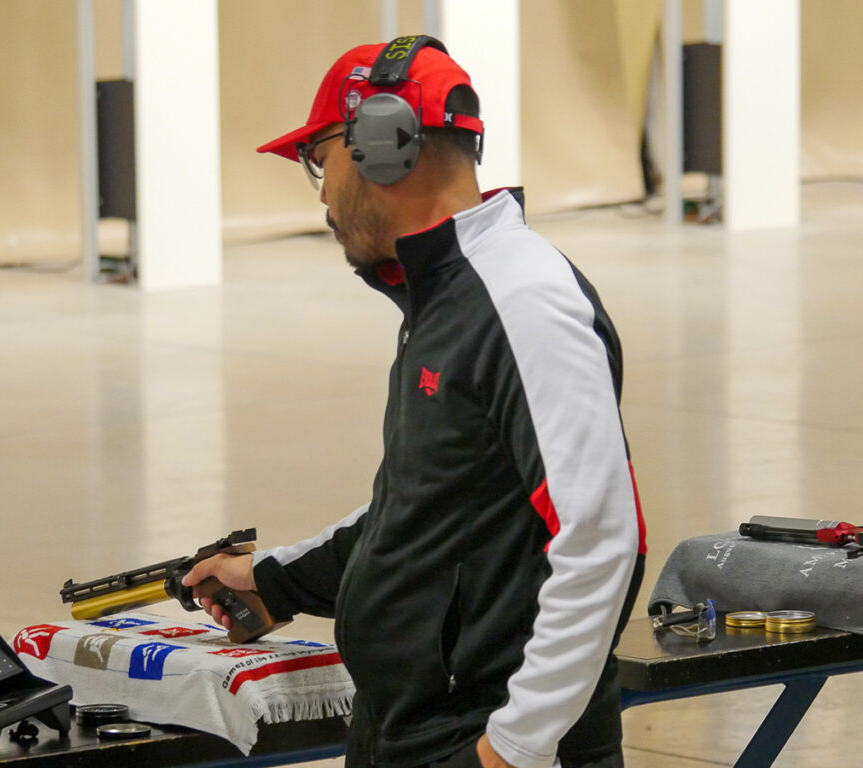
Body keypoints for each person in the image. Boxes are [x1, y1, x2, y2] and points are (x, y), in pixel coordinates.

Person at [183, 35, 646, 768]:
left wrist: (511, 749)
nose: (324, 194)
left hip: (481, 741)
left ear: (381, 145)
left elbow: (601, 537)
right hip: (418, 730)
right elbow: (429, 506)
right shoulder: (448, 297)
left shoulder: (522, 300)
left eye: (320, 160)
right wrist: (272, 583)